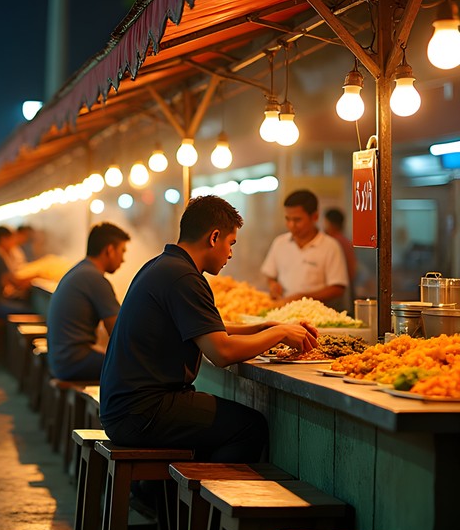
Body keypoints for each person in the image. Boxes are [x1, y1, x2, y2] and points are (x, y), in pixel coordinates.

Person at [100, 195, 318, 463]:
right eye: (231, 243)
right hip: (142, 412)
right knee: (250, 426)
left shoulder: (164, 265)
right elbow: (221, 352)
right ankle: (205, 502)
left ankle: (163, 494)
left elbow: (207, 329)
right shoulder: (184, 278)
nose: (230, 253)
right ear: (214, 237)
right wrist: (280, 334)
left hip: (124, 408)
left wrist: (265, 326)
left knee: (216, 424)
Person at [47, 223, 129, 381]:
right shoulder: (95, 278)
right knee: (136, 370)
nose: (123, 259)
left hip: (60, 360)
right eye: (122, 251)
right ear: (109, 250)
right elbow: (118, 333)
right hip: (73, 362)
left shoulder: (80, 270)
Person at [261, 190, 350, 310]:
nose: (291, 225)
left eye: (297, 220)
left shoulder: (330, 246)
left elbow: (338, 288)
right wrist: (273, 285)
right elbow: (270, 275)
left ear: (315, 217)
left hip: (318, 315)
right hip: (284, 312)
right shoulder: (280, 243)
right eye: (288, 219)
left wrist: (304, 297)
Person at [324, 207, 357, 305]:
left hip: (335, 292)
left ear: (329, 223)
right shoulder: (346, 242)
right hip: (347, 287)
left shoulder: (331, 243)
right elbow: (353, 269)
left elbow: (350, 270)